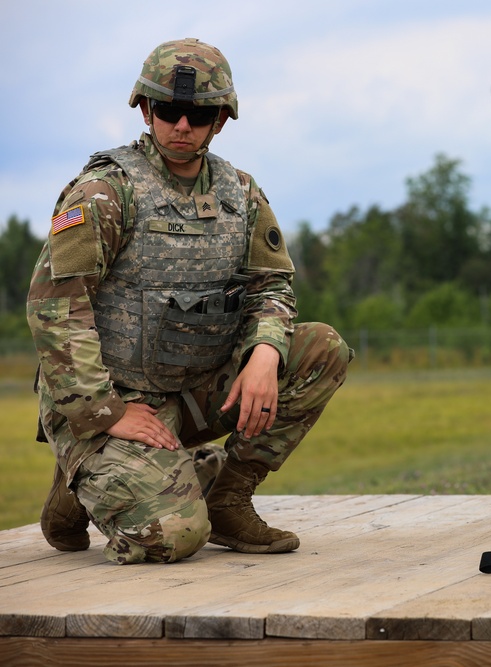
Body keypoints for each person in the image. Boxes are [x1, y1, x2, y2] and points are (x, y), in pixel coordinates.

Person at [27, 38, 352, 565]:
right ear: (147, 109)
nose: (183, 126)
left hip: (196, 394)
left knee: (321, 349)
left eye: (199, 113)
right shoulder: (106, 193)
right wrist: (106, 412)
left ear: (220, 120)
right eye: (170, 110)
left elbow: (272, 287)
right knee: (173, 536)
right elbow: (55, 312)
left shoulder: (239, 193)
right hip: (115, 399)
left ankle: (228, 496)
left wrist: (265, 353)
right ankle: (83, 473)